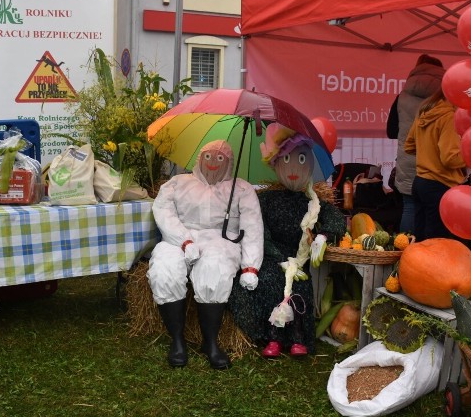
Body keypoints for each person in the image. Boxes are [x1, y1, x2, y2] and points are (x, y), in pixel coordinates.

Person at [229, 124, 346, 358]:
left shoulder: (312, 202)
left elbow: (336, 218)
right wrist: (277, 257)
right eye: (287, 160)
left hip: (298, 256)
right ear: (276, 164)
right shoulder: (268, 199)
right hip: (273, 255)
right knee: (271, 280)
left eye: (301, 159)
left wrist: (324, 235)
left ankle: (298, 338)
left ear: (309, 166)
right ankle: (273, 337)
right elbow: (258, 229)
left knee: (300, 285)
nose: (294, 168)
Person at [147, 140, 263, 369]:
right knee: (164, 269)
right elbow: (163, 212)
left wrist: (250, 266)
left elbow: (252, 226)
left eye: (220, 159)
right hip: (178, 237)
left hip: (220, 240)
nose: (212, 163)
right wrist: (183, 240)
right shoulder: (177, 183)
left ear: (229, 163)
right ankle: (177, 340)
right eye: (208, 157)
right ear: (200, 158)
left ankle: (210, 342)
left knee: (214, 270)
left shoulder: (241, 189)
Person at [388, 54, 445, 233]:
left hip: (408, 159)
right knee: (436, 212)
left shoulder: (402, 96)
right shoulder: (447, 98)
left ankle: (405, 252)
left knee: (410, 207)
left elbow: (391, 131)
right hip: (436, 164)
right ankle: (429, 252)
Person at [404, 87, 466, 242]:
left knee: (420, 239)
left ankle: (415, 265)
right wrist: (470, 156)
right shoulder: (449, 117)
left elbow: (409, 146)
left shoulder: (425, 111)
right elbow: (450, 158)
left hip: (420, 182)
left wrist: (428, 154)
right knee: (436, 242)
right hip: (440, 185)